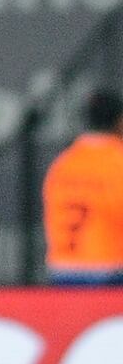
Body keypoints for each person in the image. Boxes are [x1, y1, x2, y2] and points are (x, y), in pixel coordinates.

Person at [43, 89, 123, 285]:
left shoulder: (64, 163)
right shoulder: (117, 161)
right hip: (108, 268)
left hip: (63, 269)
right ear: (120, 121)